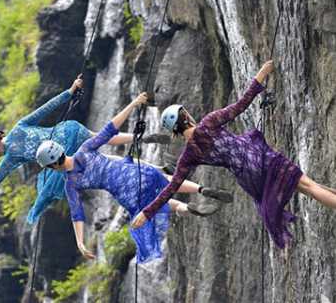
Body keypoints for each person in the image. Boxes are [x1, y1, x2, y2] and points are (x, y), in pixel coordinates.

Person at [132, 60, 336, 249]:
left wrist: (146, 213)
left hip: (249, 180)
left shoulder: (189, 156)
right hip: (259, 157)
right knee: (309, 186)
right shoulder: (209, 122)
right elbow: (241, 105)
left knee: (305, 188)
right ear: (185, 116)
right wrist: (261, 76)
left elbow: (171, 188)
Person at [36, 93, 232, 263]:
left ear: (52, 166)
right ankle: (201, 189)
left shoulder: (71, 184)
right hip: (133, 170)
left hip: (126, 193)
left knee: (160, 204)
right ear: (62, 151)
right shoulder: (85, 149)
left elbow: (77, 214)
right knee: (167, 181)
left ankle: (185, 208)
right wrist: (133, 104)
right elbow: (109, 129)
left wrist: (80, 242)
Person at [0, 76, 159, 222]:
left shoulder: (10, 159)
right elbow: (47, 107)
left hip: (61, 153)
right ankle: (142, 138)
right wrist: (70, 91)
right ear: (0, 135)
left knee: (102, 162)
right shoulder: (19, 127)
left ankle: (152, 165)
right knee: (101, 137)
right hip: (69, 131)